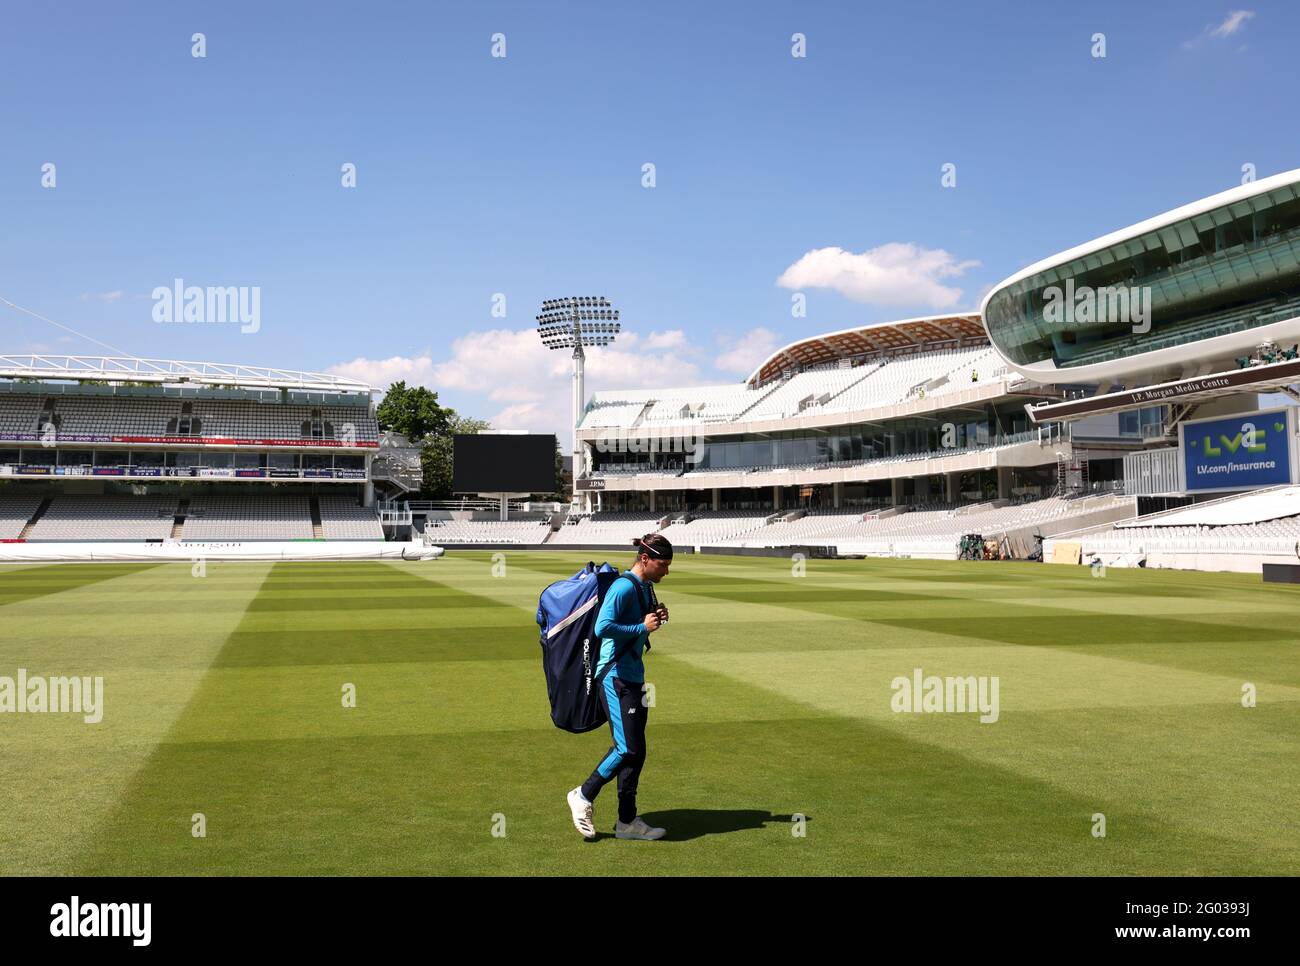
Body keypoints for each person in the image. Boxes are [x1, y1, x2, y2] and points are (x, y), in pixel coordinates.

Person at [567, 533, 672, 841]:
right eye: (662, 564)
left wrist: (654, 619)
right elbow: (603, 627)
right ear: (645, 559)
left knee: (636, 752)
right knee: (626, 747)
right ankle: (583, 794)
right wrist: (642, 626)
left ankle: (627, 822)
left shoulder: (644, 587)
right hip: (615, 675)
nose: (666, 570)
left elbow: (637, 627)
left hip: (634, 676)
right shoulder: (624, 586)